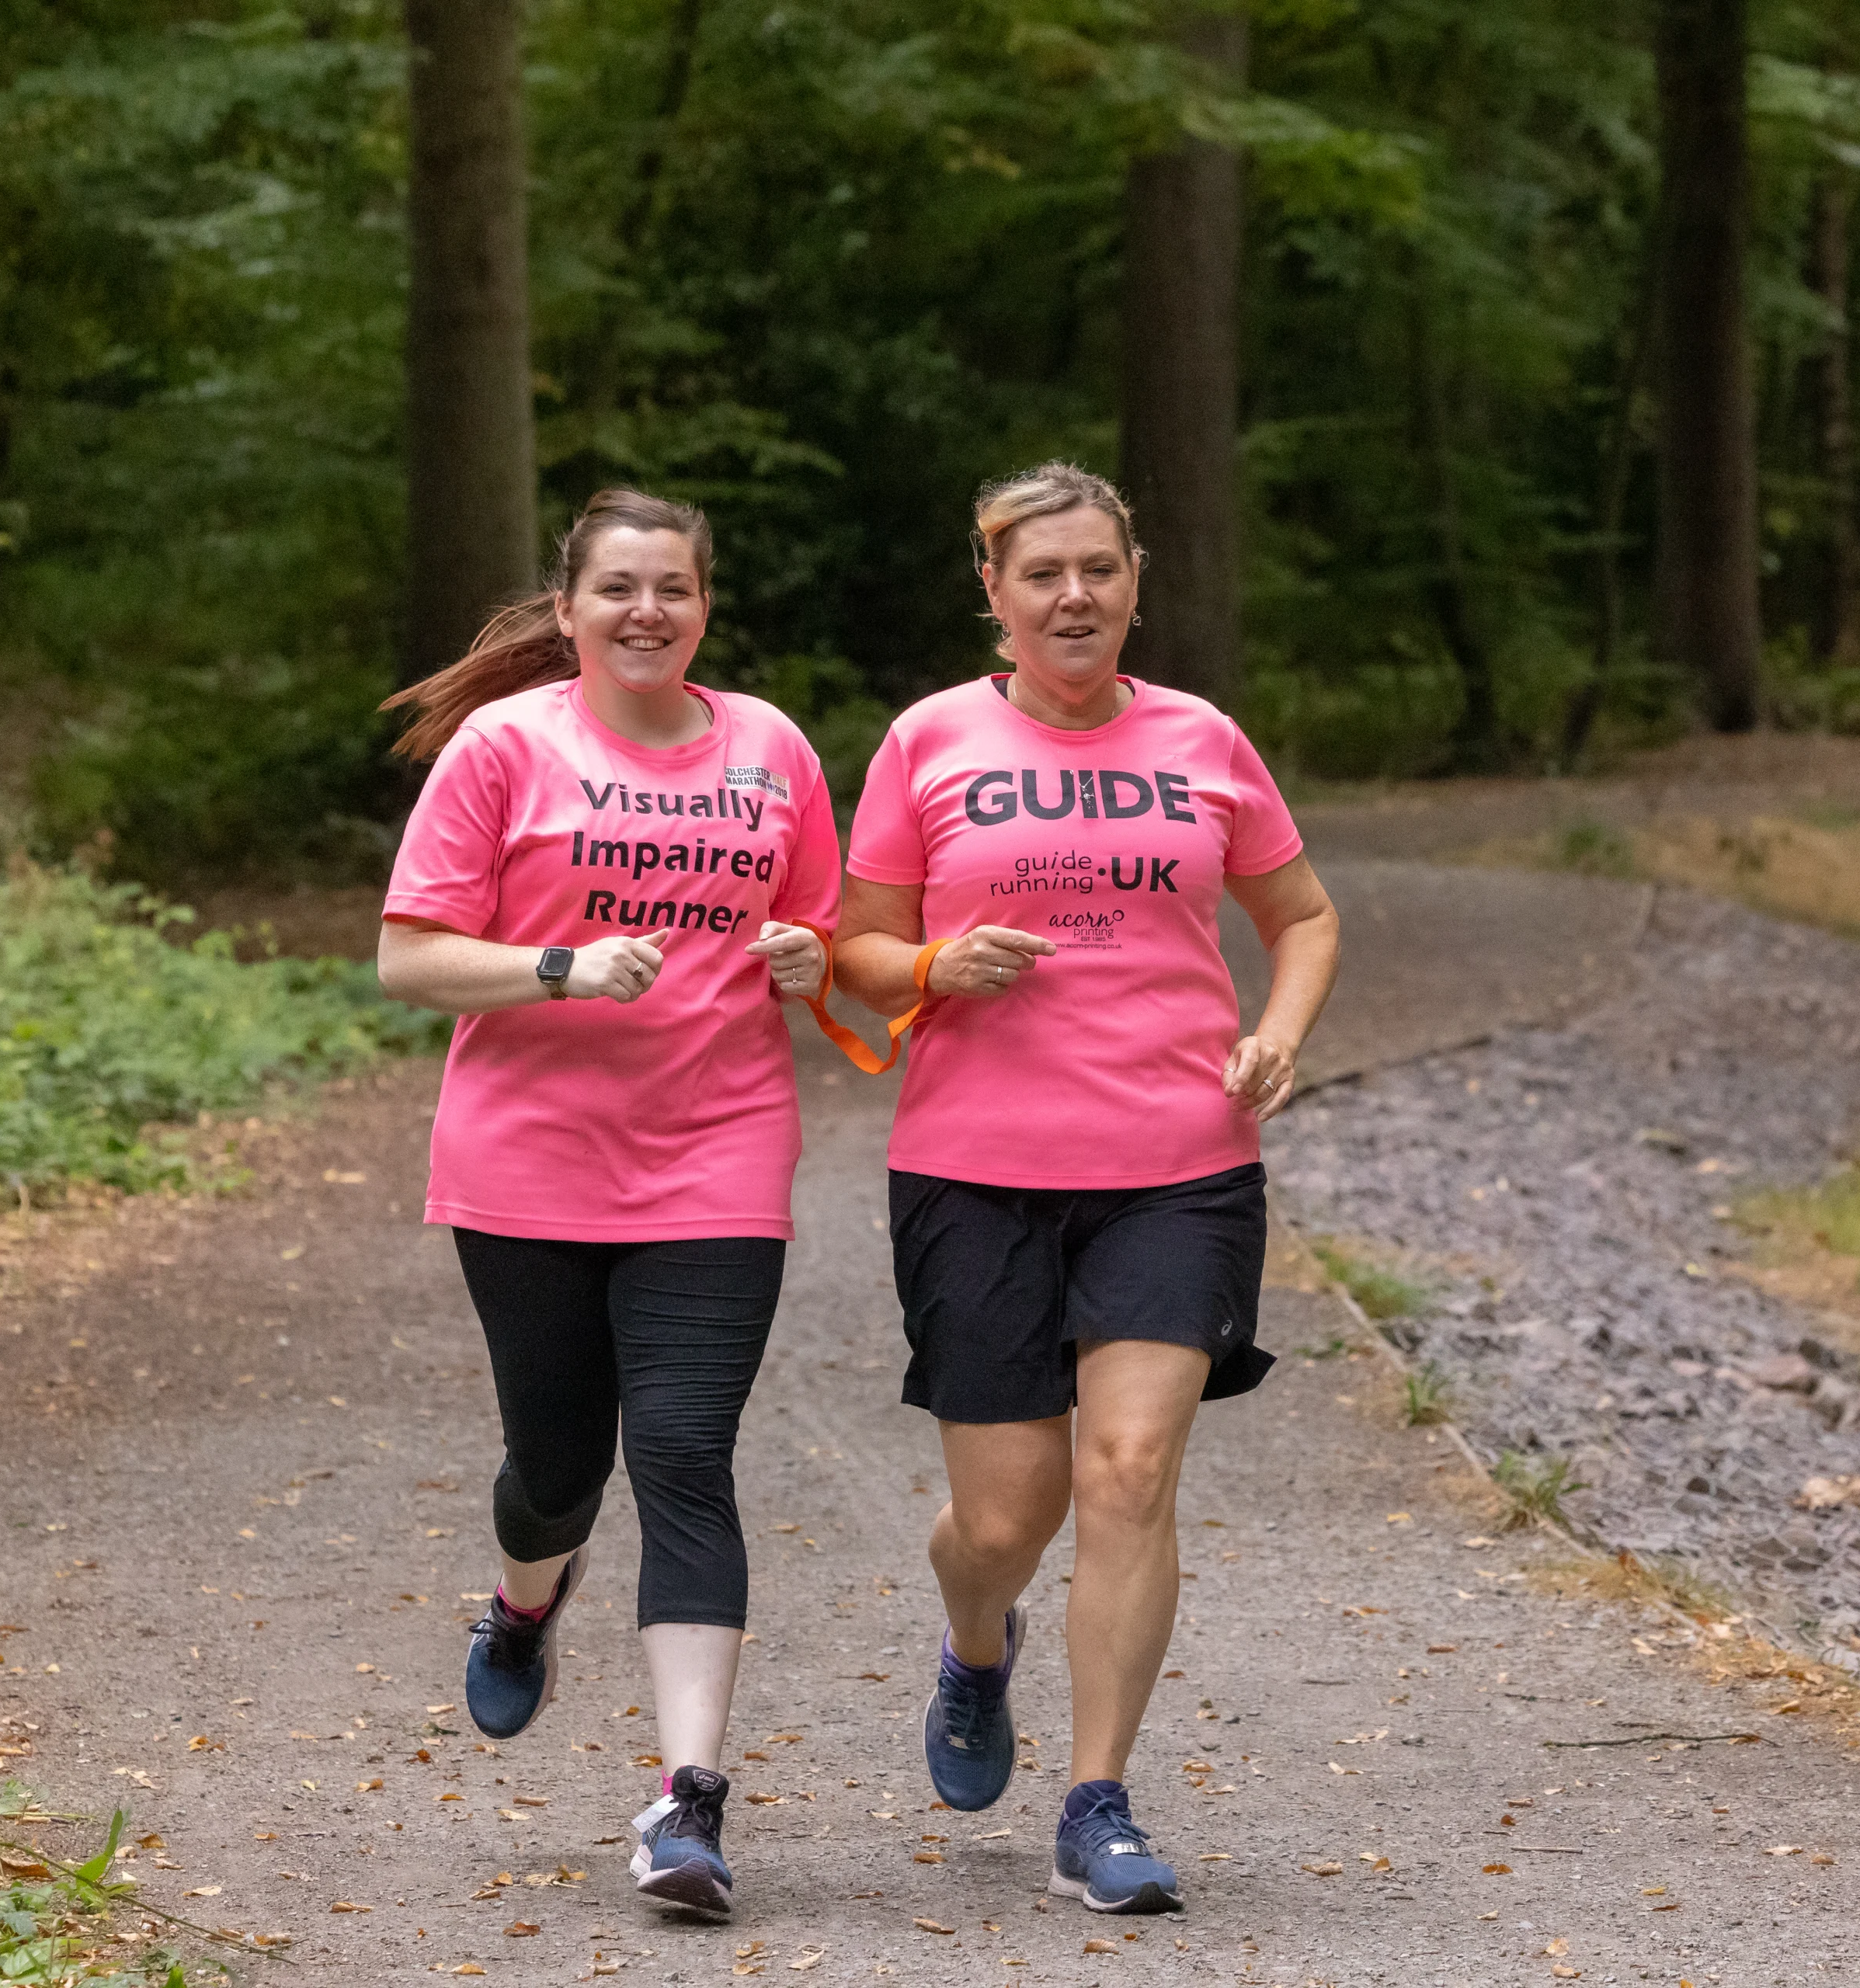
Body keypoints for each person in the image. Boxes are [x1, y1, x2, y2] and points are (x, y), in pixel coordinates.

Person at [833, 462, 1340, 1917]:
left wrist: (1277, 1036)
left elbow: (1299, 918)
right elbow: (859, 945)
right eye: (1041, 571)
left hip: (1178, 1168)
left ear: (1135, 583)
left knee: (1129, 1472)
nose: (1074, 595)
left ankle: (1097, 1802)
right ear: (990, 589)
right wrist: (935, 965)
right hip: (974, 1172)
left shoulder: (1203, 740)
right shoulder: (930, 739)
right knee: (1008, 1517)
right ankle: (973, 1640)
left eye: (1098, 571)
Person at [375, 488, 836, 1920]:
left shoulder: (772, 749)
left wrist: (813, 962)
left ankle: (688, 1805)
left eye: (676, 589)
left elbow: (819, 928)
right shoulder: (504, 746)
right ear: (569, 610)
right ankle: (525, 1602)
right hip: (529, 1159)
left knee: (687, 1456)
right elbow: (407, 958)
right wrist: (559, 969)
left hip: (717, 1153)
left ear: (706, 606)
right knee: (557, 1468)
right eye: (620, 588)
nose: (650, 612)